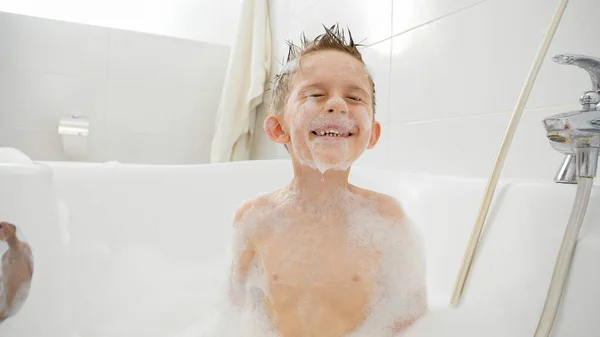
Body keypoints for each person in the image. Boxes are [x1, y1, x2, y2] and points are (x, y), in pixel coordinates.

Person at [226, 24, 428, 337]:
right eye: (315, 94)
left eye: (354, 97)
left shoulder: (387, 218)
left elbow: (411, 320)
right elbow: (232, 313)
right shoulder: (255, 219)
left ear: (372, 133)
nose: (337, 103)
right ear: (278, 129)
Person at [0, 221, 33, 322]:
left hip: (16, 314)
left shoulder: (26, 251)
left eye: (1, 226)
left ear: (11, 227)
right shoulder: (5, 257)